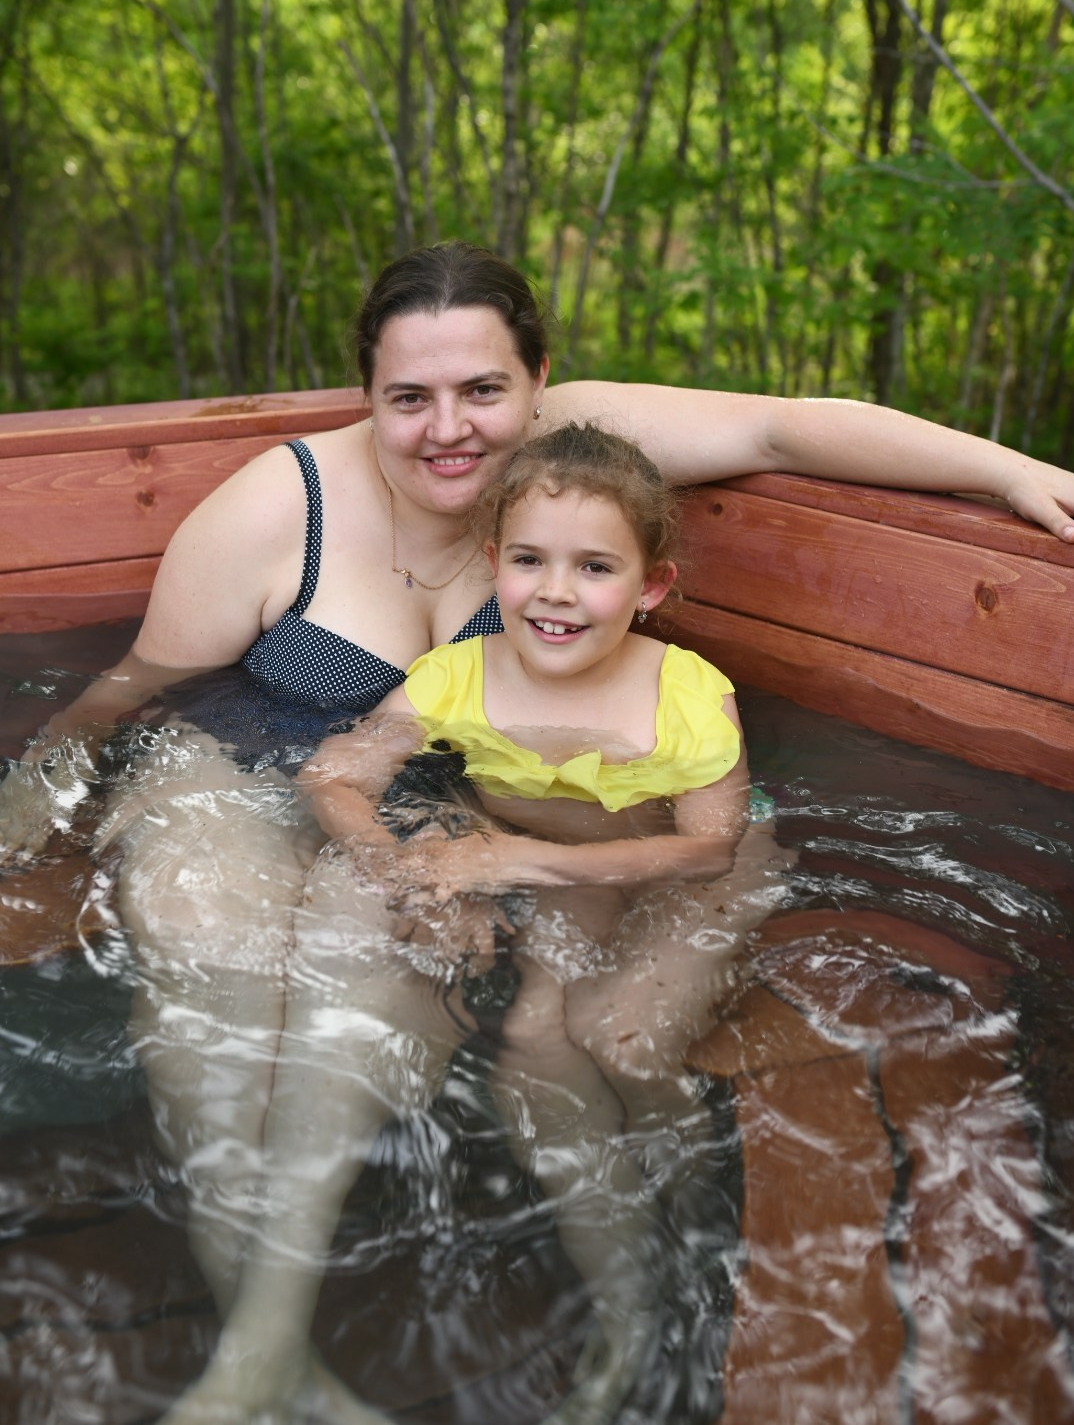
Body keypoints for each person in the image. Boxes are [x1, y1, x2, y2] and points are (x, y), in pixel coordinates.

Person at [0, 241, 1074, 1421]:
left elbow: (781, 433)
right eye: (408, 397)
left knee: (352, 1004)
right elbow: (125, 689)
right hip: (236, 760)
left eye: (483, 391)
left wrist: (1009, 471)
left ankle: (264, 1345)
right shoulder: (278, 508)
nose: (447, 428)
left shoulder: (571, 463)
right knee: (212, 980)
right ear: (368, 394)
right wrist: (37, 794)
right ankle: (268, 1360)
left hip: (435, 800)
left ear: (541, 382)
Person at [287, 420, 781, 1425]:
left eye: (594, 567)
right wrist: (407, 873)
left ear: (649, 588)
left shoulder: (688, 694)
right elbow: (331, 774)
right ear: (492, 566)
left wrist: (512, 859)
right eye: (529, 560)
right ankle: (627, 1301)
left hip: (691, 870)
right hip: (579, 865)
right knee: (531, 1038)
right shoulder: (456, 680)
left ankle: (696, 1202)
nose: (556, 591)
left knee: (625, 1040)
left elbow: (708, 850)